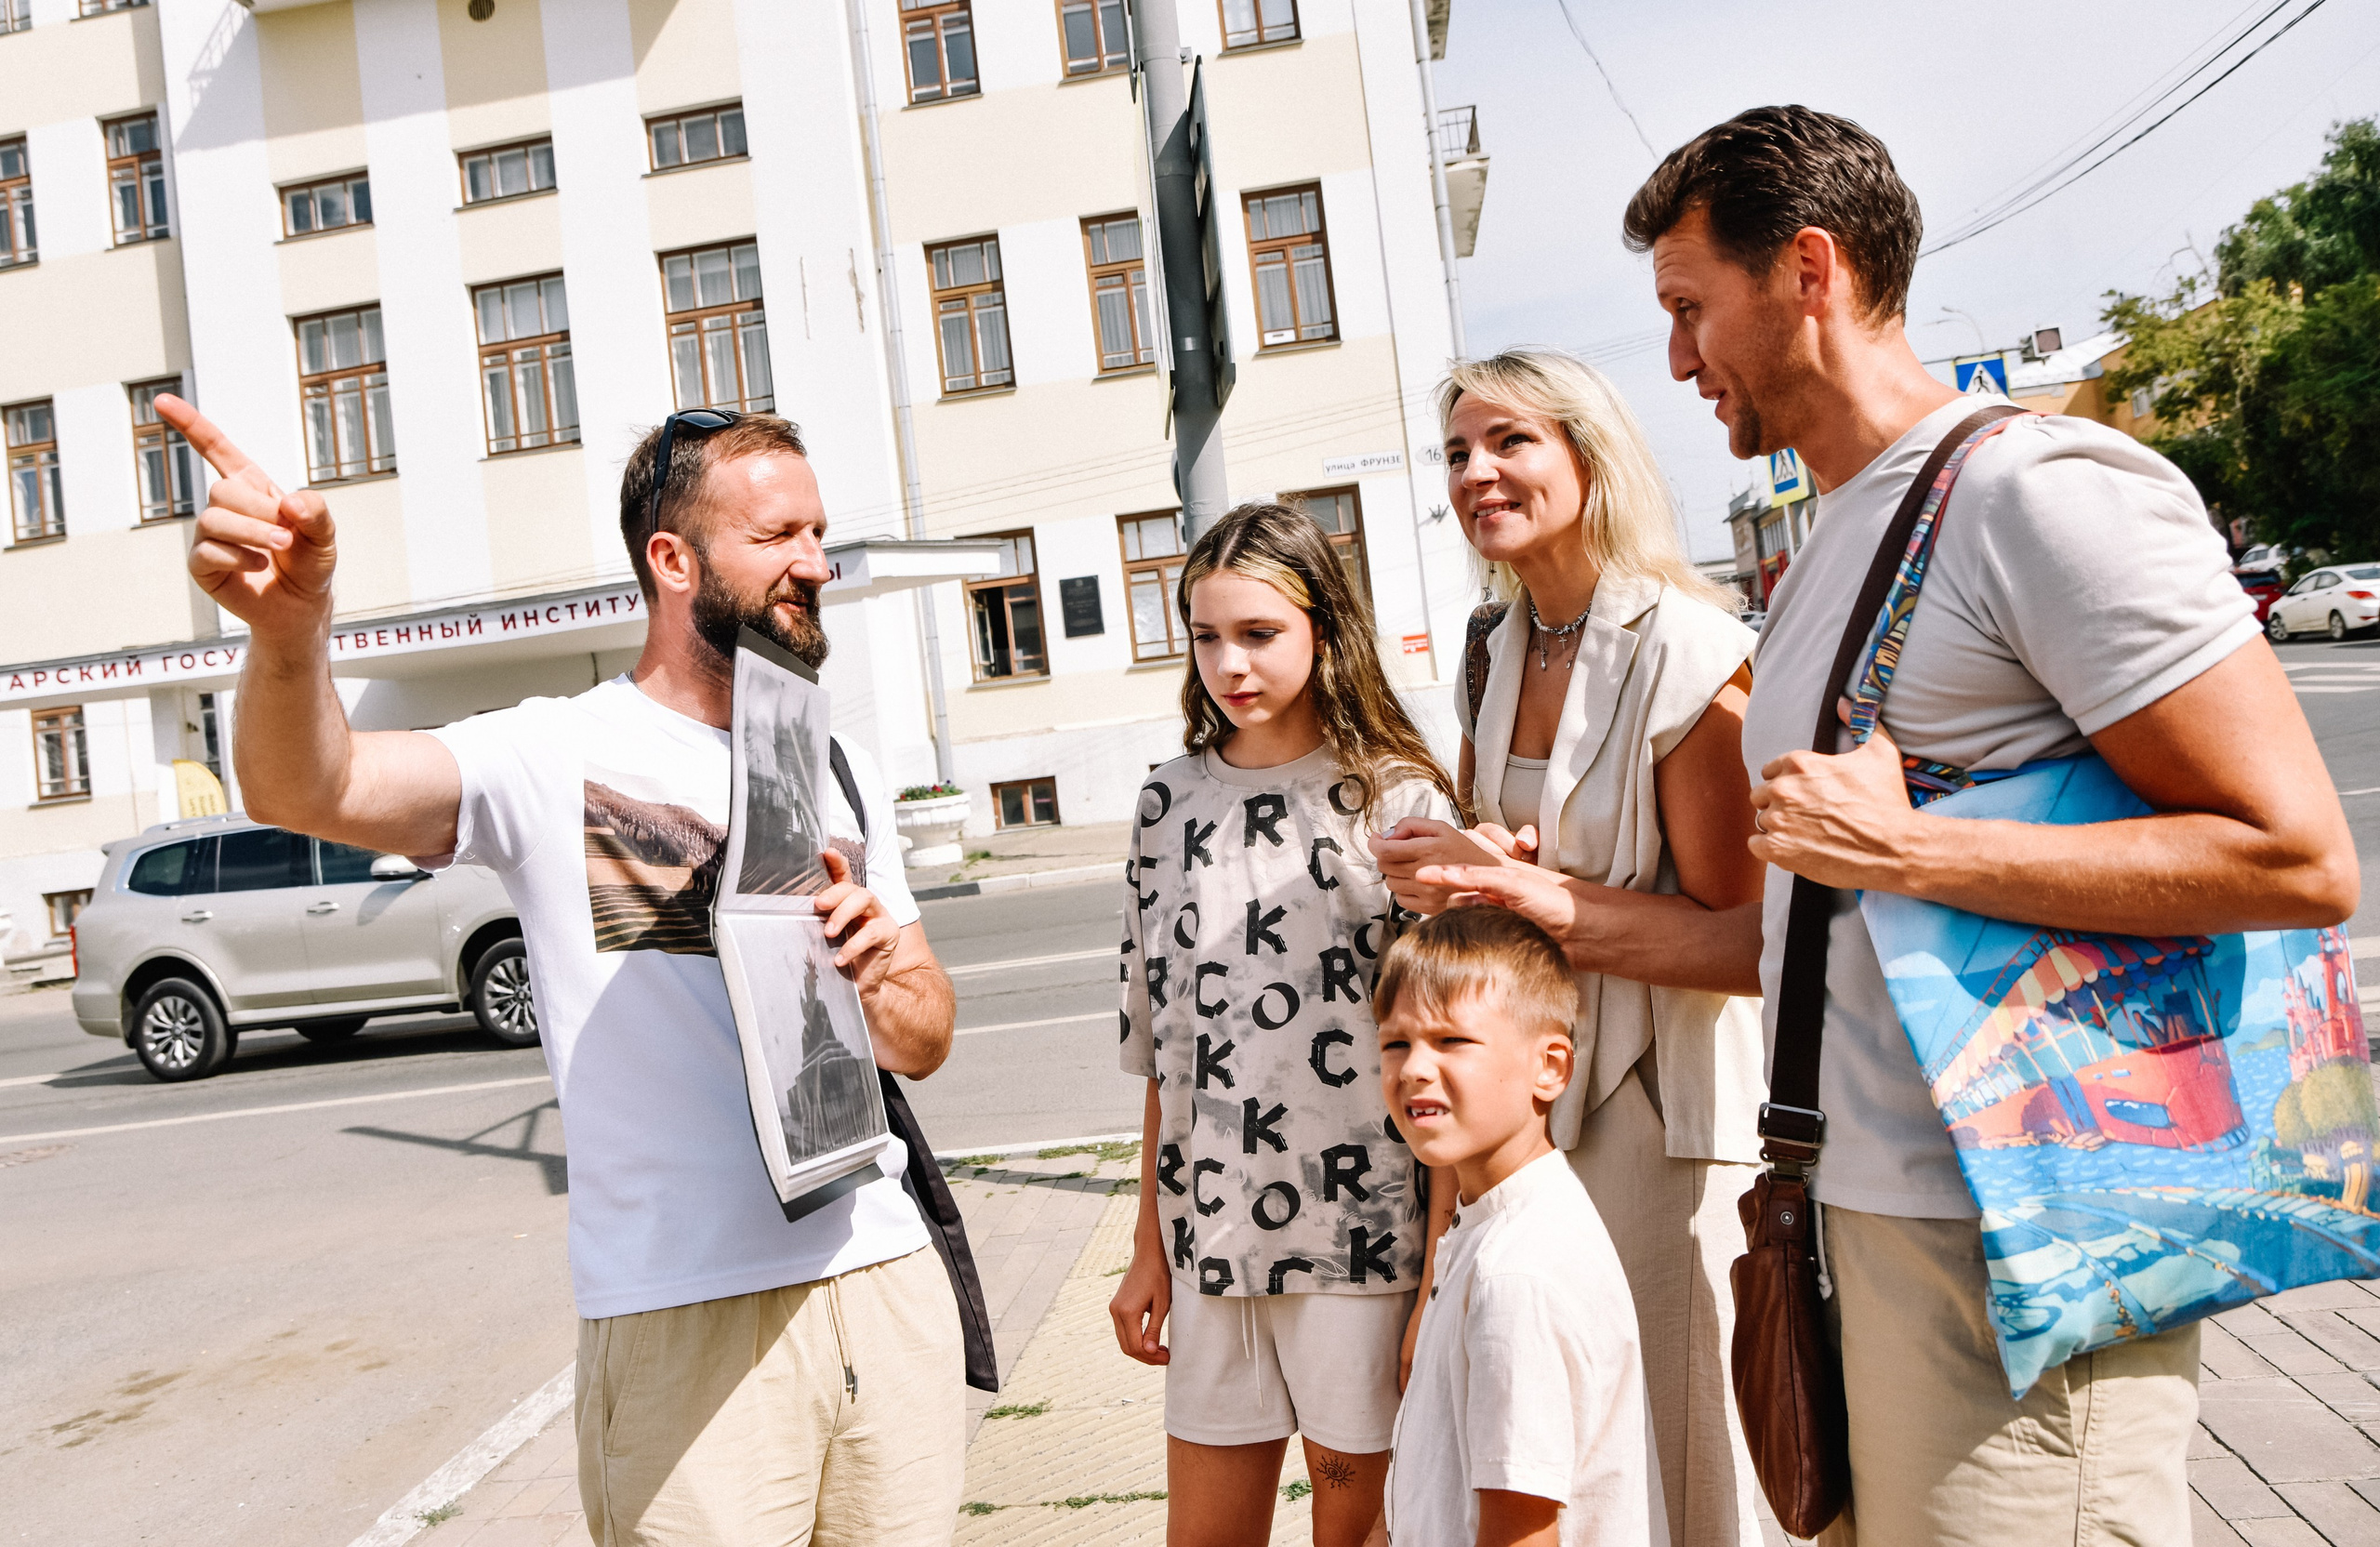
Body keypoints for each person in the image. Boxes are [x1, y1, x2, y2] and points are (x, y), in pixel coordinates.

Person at [1418, 105, 2358, 1544]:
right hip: (1865, 1209)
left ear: (1808, 271)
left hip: (2024, 1229)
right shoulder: (1845, 531)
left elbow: (2295, 857)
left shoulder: (2033, 493)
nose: (1676, 359)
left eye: (1689, 309)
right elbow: (1795, 934)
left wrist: (1913, 848)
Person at [158, 395, 970, 1546]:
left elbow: (927, 1039)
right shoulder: (550, 749)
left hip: (882, 1280)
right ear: (673, 559)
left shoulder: (834, 761)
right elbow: (309, 789)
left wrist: (880, 969)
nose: (816, 564)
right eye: (779, 536)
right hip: (680, 1312)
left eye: (818, 533)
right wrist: (291, 635)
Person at [1368, 349, 1765, 1546]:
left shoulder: (1690, 647)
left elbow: (1744, 940)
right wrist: (1463, 866)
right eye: (1455, 452)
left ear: (1588, 458)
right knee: (1547, 1466)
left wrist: (1518, 888)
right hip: (1537, 1111)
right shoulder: (1494, 647)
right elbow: (1521, 878)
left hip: (1666, 1121)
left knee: (1679, 1472)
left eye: (1510, 442)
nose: (1477, 473)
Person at [1106, 502, 1461, 1547]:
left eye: (1258, 632)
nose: (1228, 663)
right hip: (1208, 1242)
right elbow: (1162, 1051)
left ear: (1323, 627)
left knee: (1356, 1538)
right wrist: (1146, 1248)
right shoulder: (1166, 803)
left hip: (1361, 1247)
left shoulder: (1395, 800)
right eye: (1205, 634)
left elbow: (1440, 1055)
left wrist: (1439, 1265)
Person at [1380, 907, 1666, 1547]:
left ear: (1552, 1067)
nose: (1415, 1067)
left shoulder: (1518, 1277)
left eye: (1452, 1040)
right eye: (1396, 1042)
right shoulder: (1500, 1224)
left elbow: (1521, 1531)